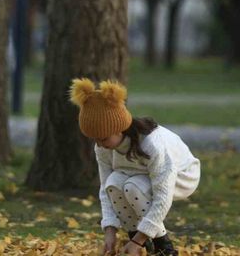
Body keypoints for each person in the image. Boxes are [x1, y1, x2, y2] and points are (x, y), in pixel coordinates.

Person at [69, 78, 200, 256]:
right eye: (95, 139)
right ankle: (139, 246)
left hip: (182, 176)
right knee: (113, 183)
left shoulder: (152, 144)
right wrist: (109, 231)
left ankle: (163, 247)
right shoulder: (103, 146)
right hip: (138, 175)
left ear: (119, 128)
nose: (99, 144)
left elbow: (163, 196)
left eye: (103, 138)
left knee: (133, 187)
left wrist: (138, 240)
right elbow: (105, 189)